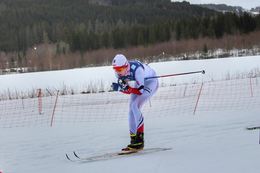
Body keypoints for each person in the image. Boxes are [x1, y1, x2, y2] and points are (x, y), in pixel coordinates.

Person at [111, 54, 159, 151]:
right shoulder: (119, 73)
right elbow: (128, 90)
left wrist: (124, 88)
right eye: (115, 69)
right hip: (140, 83)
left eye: (119, 69)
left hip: (151, 82)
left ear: (126, 66)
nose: (117, 72)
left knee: (135, 105)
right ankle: (133, 140)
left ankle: (140, 141)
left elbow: (139, 92)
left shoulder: (138, 71)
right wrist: (121, 88)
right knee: (131, 110)